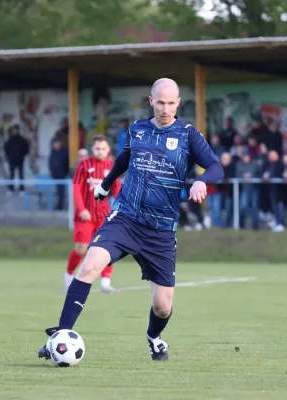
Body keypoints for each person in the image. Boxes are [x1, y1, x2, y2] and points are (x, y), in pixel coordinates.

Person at [38, 78, 223, 362]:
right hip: (125, 217)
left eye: (171, 103)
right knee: (89, 266)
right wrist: (105, 184)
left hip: (161, 230)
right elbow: (124, 158)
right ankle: (60, 337)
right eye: (160, 102)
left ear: (178, 103)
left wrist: (201, 181)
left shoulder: (187, 134)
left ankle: (154, 337)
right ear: (151, 101)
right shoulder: (137, 129)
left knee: (162, 306)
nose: (165, 108)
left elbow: (215, 167)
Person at [66, 135, 122, 293]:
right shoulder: (83, 165)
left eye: (103, 149)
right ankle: (68, 276)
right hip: (85, 215)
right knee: (81, 249)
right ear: (93, 149)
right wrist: (81, 209)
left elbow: (117, 189)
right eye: (98, 148)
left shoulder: (112, 166)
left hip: (103, 214)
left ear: (108, 150)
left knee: (106, 248)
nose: (100, 151)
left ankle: (105, 282)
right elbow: (76, 188)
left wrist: (120, 208)